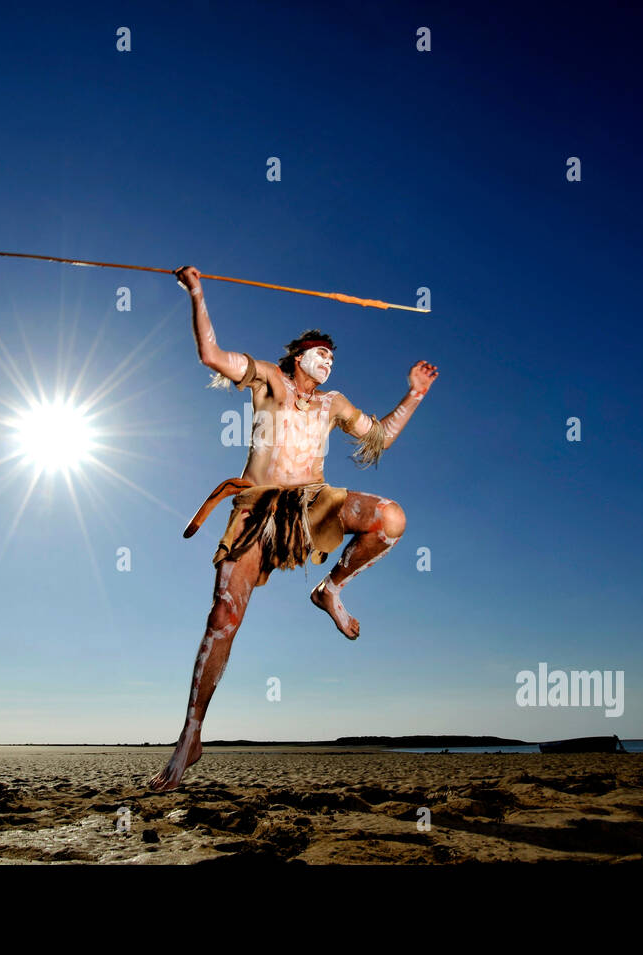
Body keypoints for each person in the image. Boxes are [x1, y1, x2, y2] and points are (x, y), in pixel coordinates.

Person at [147, 265, 438, 791]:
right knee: (223, 618)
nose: (328, 361)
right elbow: (211, 356)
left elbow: (379, 438)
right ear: (299, 355)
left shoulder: (334, 403)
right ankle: (190, 736)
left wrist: (414, 393)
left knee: (390, 518)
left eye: (333, 356)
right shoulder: (267, 379)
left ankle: (332, 588)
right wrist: (197, 292)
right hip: (257, 508)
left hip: (311, 505)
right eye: (321, 353)